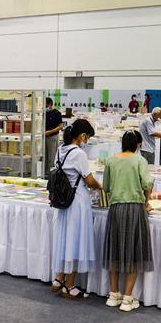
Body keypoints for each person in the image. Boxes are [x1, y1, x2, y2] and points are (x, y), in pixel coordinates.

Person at [102, 130, 154, 312]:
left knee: (114, 250)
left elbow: (106, 187)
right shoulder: (140, 160)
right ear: (137, 145)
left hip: (116, 209)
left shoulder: (111, 160)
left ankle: (113, 294)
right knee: (134, 251)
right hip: (135, 209)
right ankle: (127, 298)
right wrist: (147, 201)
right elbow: (147, 184)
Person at [50, 119, 102, 299]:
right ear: (82, 136)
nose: (87, 141)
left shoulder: (60, 150)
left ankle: (59, 278)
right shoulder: (79, 154)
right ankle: (70, 285)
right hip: (78, 201)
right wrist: (100, 186)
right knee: (75, 241)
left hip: (63, 201)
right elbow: (89, 180)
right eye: (88, 137)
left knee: (64, 239)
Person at [44, 97, 64, 175]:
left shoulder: (57, 113)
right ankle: (44, 174)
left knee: (51, 157)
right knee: (44, 156)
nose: (45, 107)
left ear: (50, 104)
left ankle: (51, 175)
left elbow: (60, 126)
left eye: (46, 105)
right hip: (44, 136)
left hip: (52, 137)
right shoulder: (45, 113)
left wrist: (50, 132)